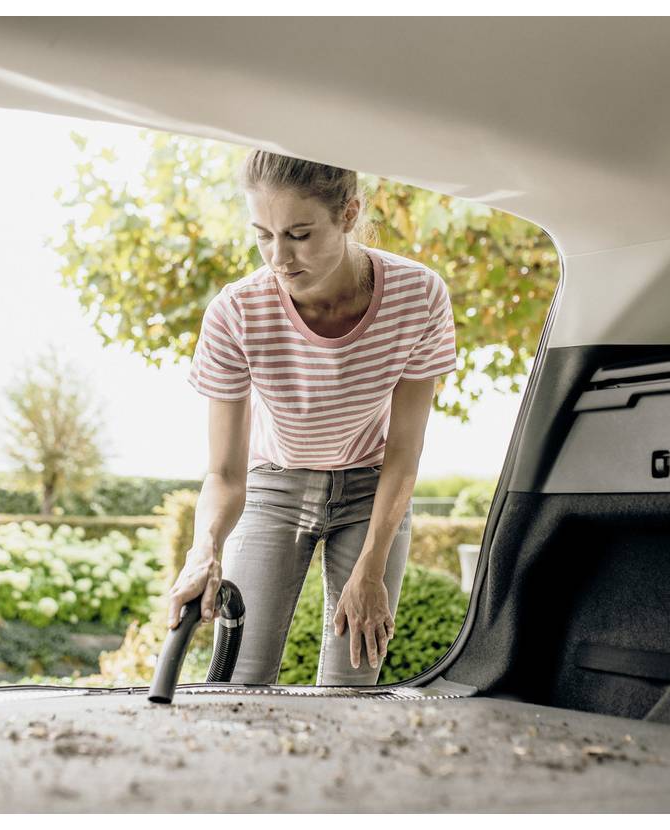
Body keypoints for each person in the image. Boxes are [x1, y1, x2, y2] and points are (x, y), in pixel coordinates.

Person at [168, 150, 457, 686]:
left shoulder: (419, 297)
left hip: (373, 487)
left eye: (299, 234)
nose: (279, 256)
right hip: (273, 485)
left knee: (353, 682)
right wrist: (204, 549)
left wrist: (371, 567)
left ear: (348, 215)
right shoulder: (237, 312)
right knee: (239, 679)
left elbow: (404, 452)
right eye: (263, 235)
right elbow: (226, 475)